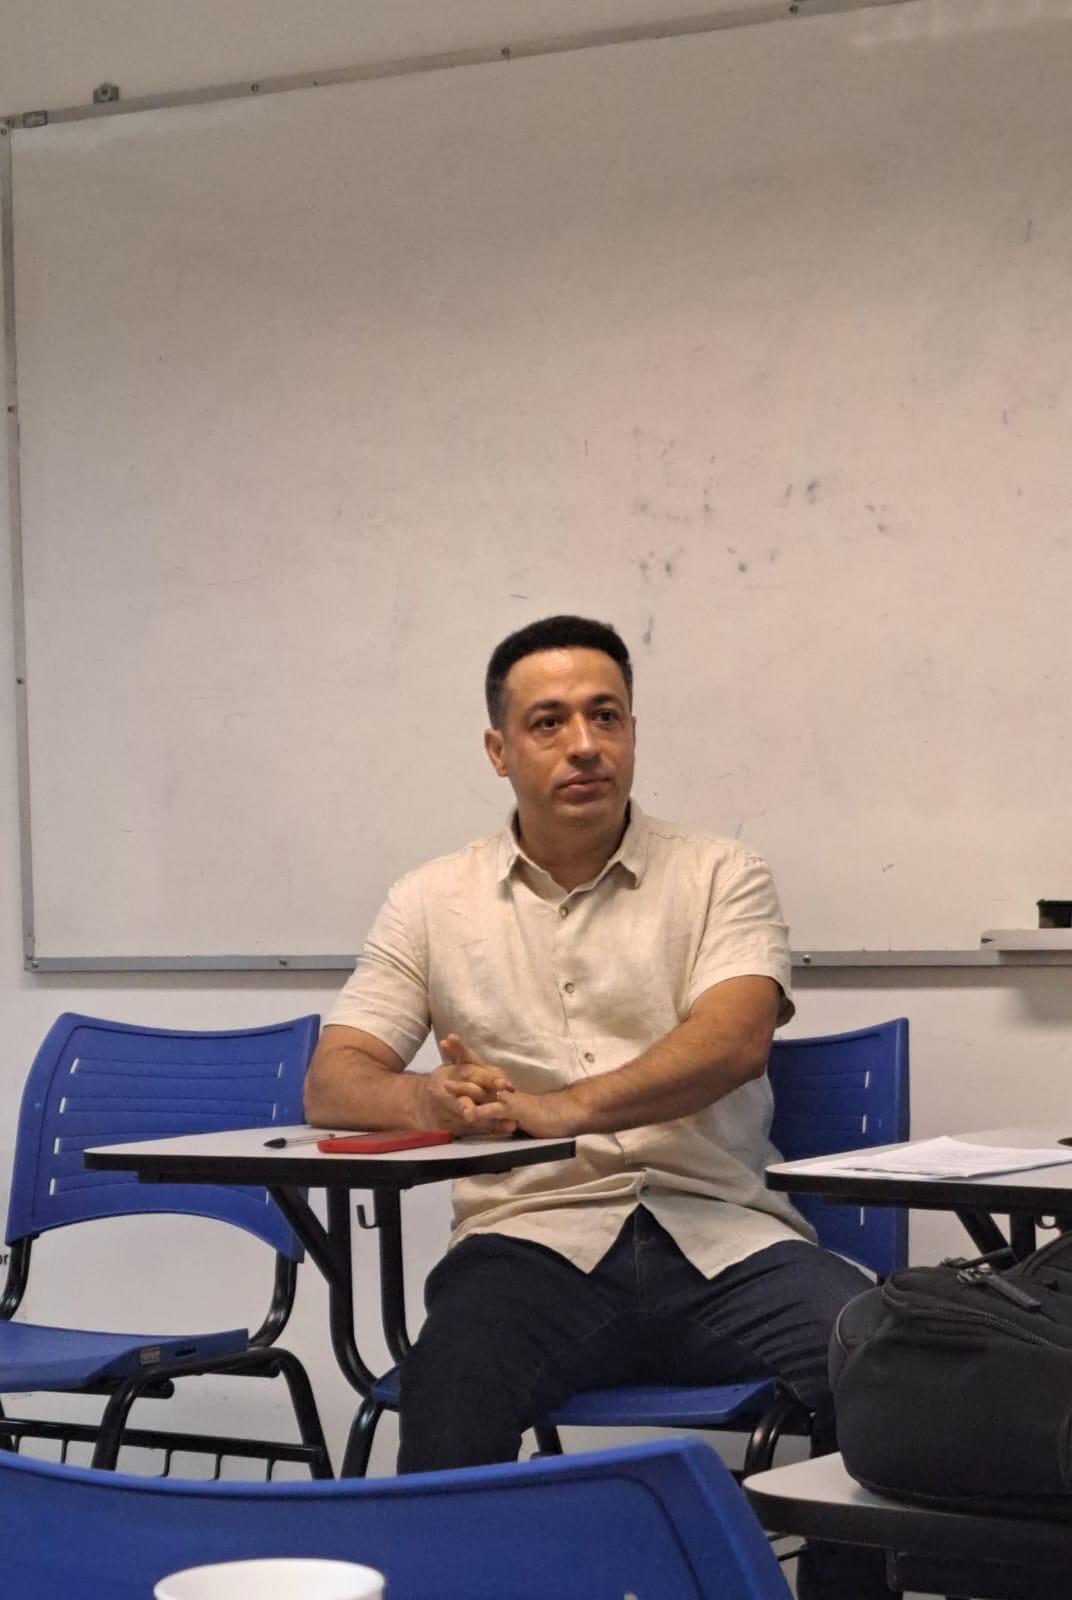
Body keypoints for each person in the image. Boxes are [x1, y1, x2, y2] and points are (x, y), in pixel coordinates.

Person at [304, 614, 891, 1600]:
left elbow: (735, 1038)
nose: (585, 743)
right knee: (453, 1377)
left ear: (632, 731)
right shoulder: (430, 900)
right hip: (531, 1243)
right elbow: (334, 1080)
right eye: (549, 722)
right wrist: (429, 1095)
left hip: (722, 1239)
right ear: (499, 750)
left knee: (875, 1353)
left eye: (605, 715)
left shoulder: (721, 874)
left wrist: (559, 1109)